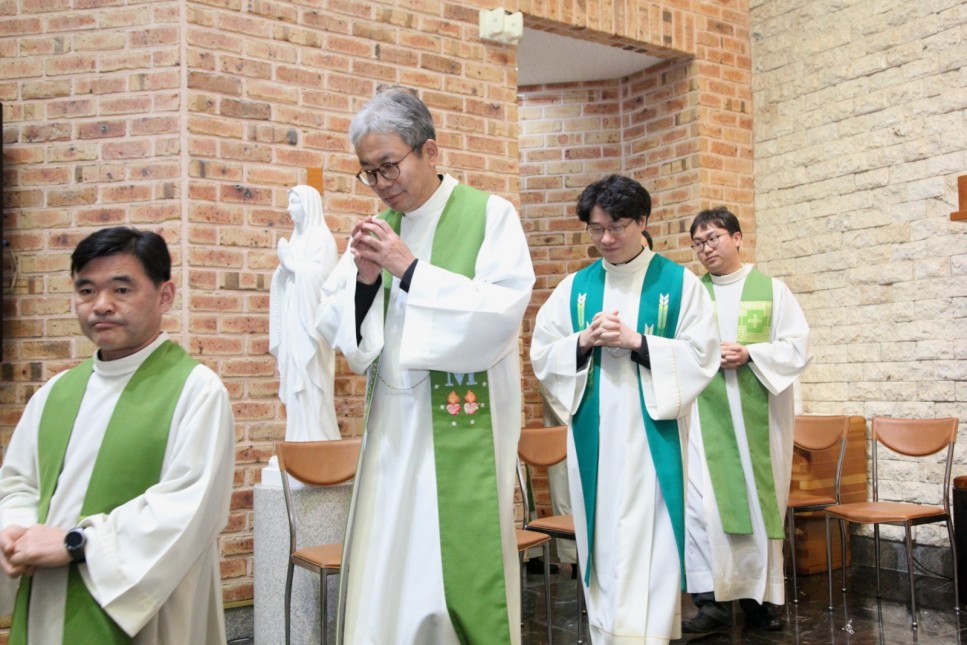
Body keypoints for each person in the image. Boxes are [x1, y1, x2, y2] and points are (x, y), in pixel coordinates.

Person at [315, 88, 535, 644]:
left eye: (389, 165)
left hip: (458, 432)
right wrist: (367, 279)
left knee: (445, 571)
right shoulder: (378, 226)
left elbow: (501, 310)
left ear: (430, 151)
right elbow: (344, 332)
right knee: (389, 569)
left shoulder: (490, 215)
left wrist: (409, 268)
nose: (381, 182)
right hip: (392, 431)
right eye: (368, 172)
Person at [0, 227, 235, 644]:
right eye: (86, 290)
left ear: (165, 295)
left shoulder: (197, 390)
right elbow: (18, 484)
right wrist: (16, 532)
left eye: (121, 289)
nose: (101, 305)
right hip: (47, 593)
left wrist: (78, 544)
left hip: (144, 610)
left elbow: (187, 509)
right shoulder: (55, 392)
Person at [530, 174, 719, 644]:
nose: (606, 239)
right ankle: (607, 631)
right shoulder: (575, 287)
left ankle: (647, 634)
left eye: (616, 227)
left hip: (652, 433)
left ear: (643, 221)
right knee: (603, 536)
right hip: (595, 436)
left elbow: (703, 355)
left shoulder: (679, 283)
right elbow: (542, 353)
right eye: (596, 229)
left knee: (650, 537)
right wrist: (582, 341)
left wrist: (638, 342)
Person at [682, 207, 811, 633]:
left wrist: (751, 353)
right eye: (698, 242)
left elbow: (798, 347)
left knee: (757, 506)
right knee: (704, 509)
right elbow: (675, 349)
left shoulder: (772, 292)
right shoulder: (691, 294)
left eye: (713, 238)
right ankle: (711, 603)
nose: (706, 249)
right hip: (704, 419)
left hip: (758, 420)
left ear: (737, 238)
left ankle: (758, 601)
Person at [269, 184, 340, 441]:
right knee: (295, 379)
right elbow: (287, 278)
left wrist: (292, 265)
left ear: (308, 205)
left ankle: (318, 437)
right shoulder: (296, 240)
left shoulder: (322, 239)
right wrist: (284, 270)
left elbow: (325, 281)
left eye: (295, 202)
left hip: (310, 325)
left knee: (311, 380)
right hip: (293, 320)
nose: (289, 209)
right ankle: (298, 438)